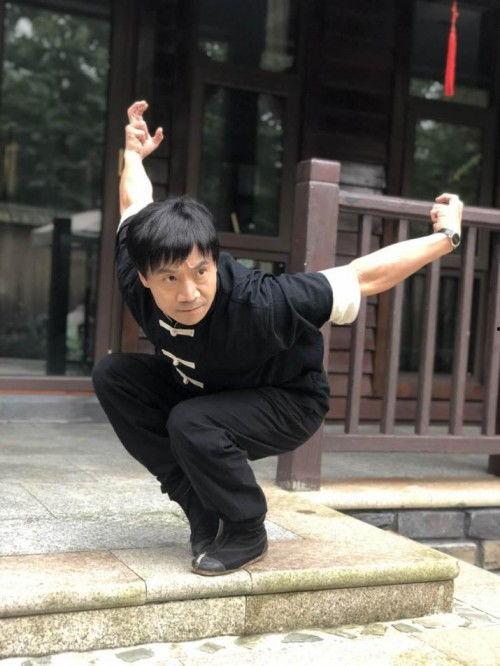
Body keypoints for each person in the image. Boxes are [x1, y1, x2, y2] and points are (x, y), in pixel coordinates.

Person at [92, 100, 463, 576]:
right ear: (144, 277)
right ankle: (199, 505)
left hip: (288, 400)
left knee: (193, 422)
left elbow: (364, 275)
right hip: (207, 388)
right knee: (114, 375)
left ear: (212, 260)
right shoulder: (135, 265)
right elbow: (134, 205)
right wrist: (133, 155)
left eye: (200, 271)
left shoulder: (263, 302)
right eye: (169, 279)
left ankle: (246, 528)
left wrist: (447, 237)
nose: (189, 293)